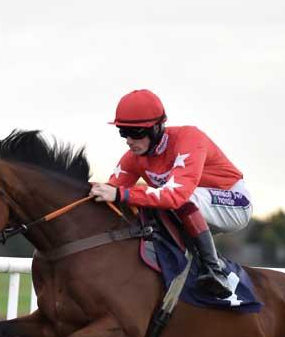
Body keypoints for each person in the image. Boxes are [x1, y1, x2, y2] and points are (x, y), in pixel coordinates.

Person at [89, 89, 252, 298]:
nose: (128, 140)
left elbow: (175, 196)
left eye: (135, 133)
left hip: (234, 202)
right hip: (194, 209)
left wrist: (122, 194)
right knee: (145, 205)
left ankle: (215, 270)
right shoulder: (133, 158)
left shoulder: (190, 138)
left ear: (157, 128)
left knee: (177, 199)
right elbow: (109, 193)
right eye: (123, 132)